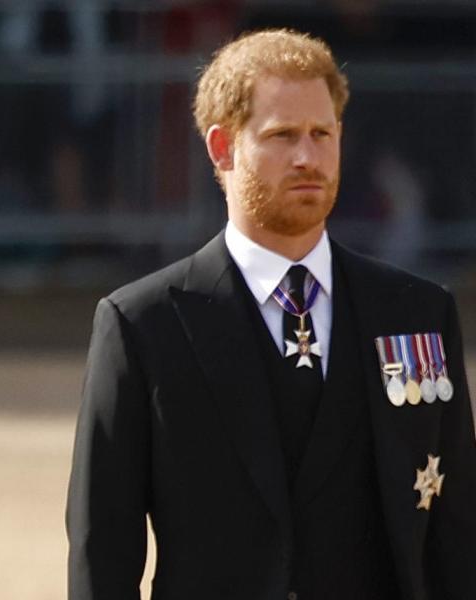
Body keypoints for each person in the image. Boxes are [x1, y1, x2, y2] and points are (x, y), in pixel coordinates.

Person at [67, 29, 476, 600]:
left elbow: (456, 536)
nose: (308, 157)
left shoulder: (419, 313)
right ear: (222, 148)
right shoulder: (143, 325)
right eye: (282, 135)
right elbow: (102, 549)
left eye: (322, 133)